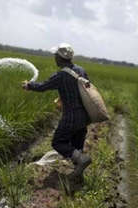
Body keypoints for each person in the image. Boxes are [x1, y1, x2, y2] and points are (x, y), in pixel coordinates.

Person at [22, 43, 91, 179]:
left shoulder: (61, 75)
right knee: (76, 146)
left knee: (58, 142)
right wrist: (64, 96)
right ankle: (78, 174)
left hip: (71, 117)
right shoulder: (81, 70)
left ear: (60, 58)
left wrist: (29, 85)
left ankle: (82, 160)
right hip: (84, 117)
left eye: (55, 56)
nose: (54, 58)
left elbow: (43, 86)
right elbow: (85, 89)